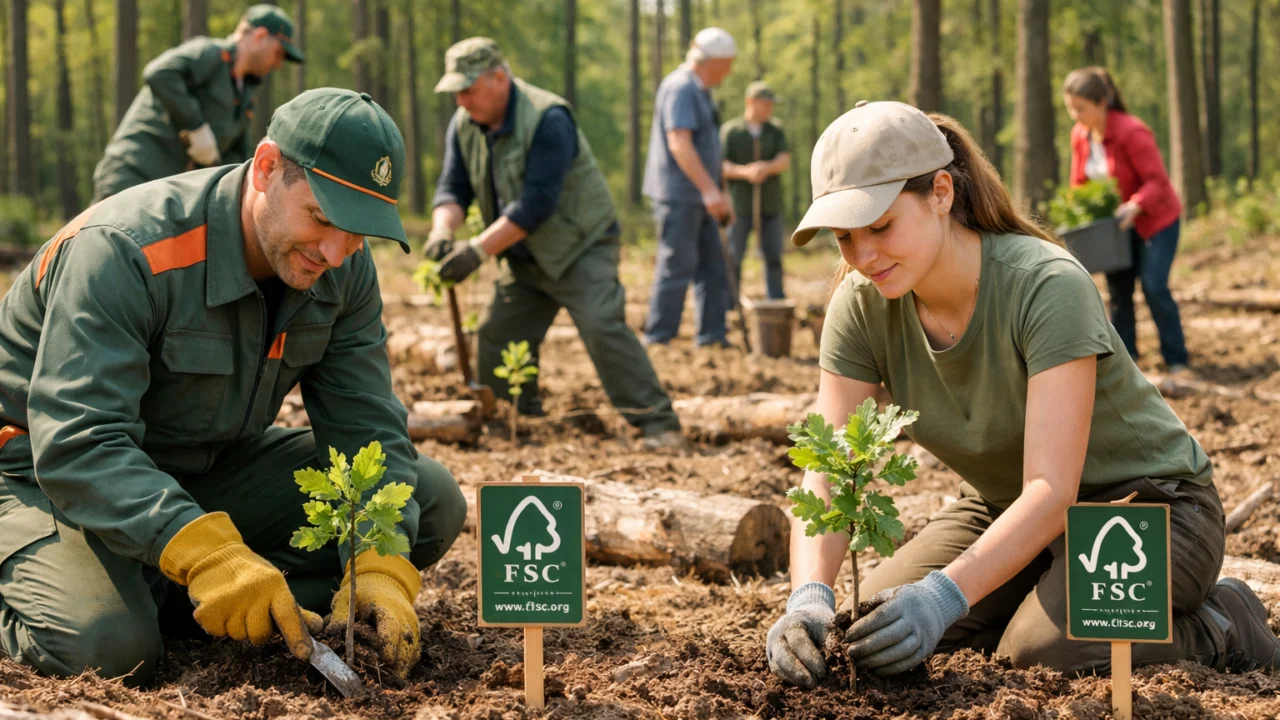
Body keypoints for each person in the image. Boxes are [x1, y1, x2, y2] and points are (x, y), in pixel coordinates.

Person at [765, 101, 1278, 689]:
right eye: (844, 237)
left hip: (1142, 505)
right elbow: (828, 466)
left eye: (880, 226)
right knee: (869, 631)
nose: (864, 256)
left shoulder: (1045, 285)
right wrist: (807, 599)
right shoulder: (860, 305)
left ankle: (1223, 622)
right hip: (1005, 507)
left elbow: (1053, 489)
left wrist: (943, 597)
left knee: (1041, 654)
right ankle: (1034, 601)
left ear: (940, 192)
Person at [0, 88, 466, 683]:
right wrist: (207, 554)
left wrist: (377, 563)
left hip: (197, 468)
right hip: (37, 475)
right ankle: (123, 593)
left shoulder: (343, 267)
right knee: (109, 647)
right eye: (322, 218)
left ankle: (170, 591)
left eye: (359, 231)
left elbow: (366, 425)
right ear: (268, 167)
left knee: (424, 499)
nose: (335, 251)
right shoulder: (127, 249)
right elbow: (78, 444)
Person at [426, 38, 685, 450]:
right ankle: (519, 420)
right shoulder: (465, 124)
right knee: (498, 335)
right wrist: (442, 231)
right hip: (523, 256)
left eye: (468, 89)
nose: (461, 100)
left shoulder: (548, 117)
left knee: (602, 326)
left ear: (499, 77)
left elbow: (536, 204)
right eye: (455, 91)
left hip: (581, 247)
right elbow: (453, 188)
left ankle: (659, 426)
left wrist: (476, 251)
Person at [91, 4, 304, 201]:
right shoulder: (209, 53)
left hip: (164, 193)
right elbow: (160, 73)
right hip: (131, 175)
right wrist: (195, 126)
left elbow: (237, 156)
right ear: (259, 36)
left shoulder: (245, 94)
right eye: (278, 53)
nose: (277, 64)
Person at [1063, 67, 1189, 373]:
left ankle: (1177, 358)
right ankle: (1127, 361)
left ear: (1102, 103)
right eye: (1071, 109)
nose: (1075, 116)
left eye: (1081, 108)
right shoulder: (1081, 135)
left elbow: (1157, 181)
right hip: (1115, 229)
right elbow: (1079, 183)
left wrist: (1135, 205)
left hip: (1154, 221)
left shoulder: (1132, 132)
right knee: (1118, 291)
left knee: (1153, 284)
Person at [641, 28, 738, 347]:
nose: (729, 71)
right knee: (676, 265)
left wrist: (720, 192)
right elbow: (679, 143)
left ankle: (712, 336)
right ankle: (659, 337)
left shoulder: (701, 91)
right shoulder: (681, 87)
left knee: (713, 267)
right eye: (727, 63)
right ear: (710, 62)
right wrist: (709, 191)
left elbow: (709, 149)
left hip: (702, 196)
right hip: (680, 196)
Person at [720, 81, 791, 300]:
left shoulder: (775, 129)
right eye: (765, 104)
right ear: (751, 102)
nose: (770, 109)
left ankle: (776, 299)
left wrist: (765, 168)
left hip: (770, 204)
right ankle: (730, 302)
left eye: (771, 104)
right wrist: (746, 172)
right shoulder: (732, 131)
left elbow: (784, 159)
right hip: (739, 205)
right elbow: (721, 165)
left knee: (774, 256)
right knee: (733, 256)